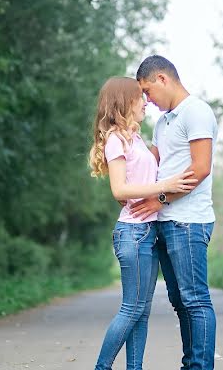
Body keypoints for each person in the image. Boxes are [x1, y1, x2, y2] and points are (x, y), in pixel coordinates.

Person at [89, 76, 197, 370]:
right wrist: (167, 184)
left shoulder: (133, 138)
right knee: (131, 308)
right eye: (141, 97)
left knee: (141, 312)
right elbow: (119, 190)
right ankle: (102, 367)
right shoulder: (114, 139)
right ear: (126, 102)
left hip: (147, 232)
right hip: (133, 233)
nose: (146, 103)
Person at [131, 55, 219, 370]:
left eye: (147, 90)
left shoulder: (196, 111)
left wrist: (161, 200)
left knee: (195, 301)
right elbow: (153, 165)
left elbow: (200, 168)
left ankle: (200, 366)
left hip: (189, 222)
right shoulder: (163, 122)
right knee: (180, 302)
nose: (146, 99)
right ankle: (191, 364)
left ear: (163, 79)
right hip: (165, 222)